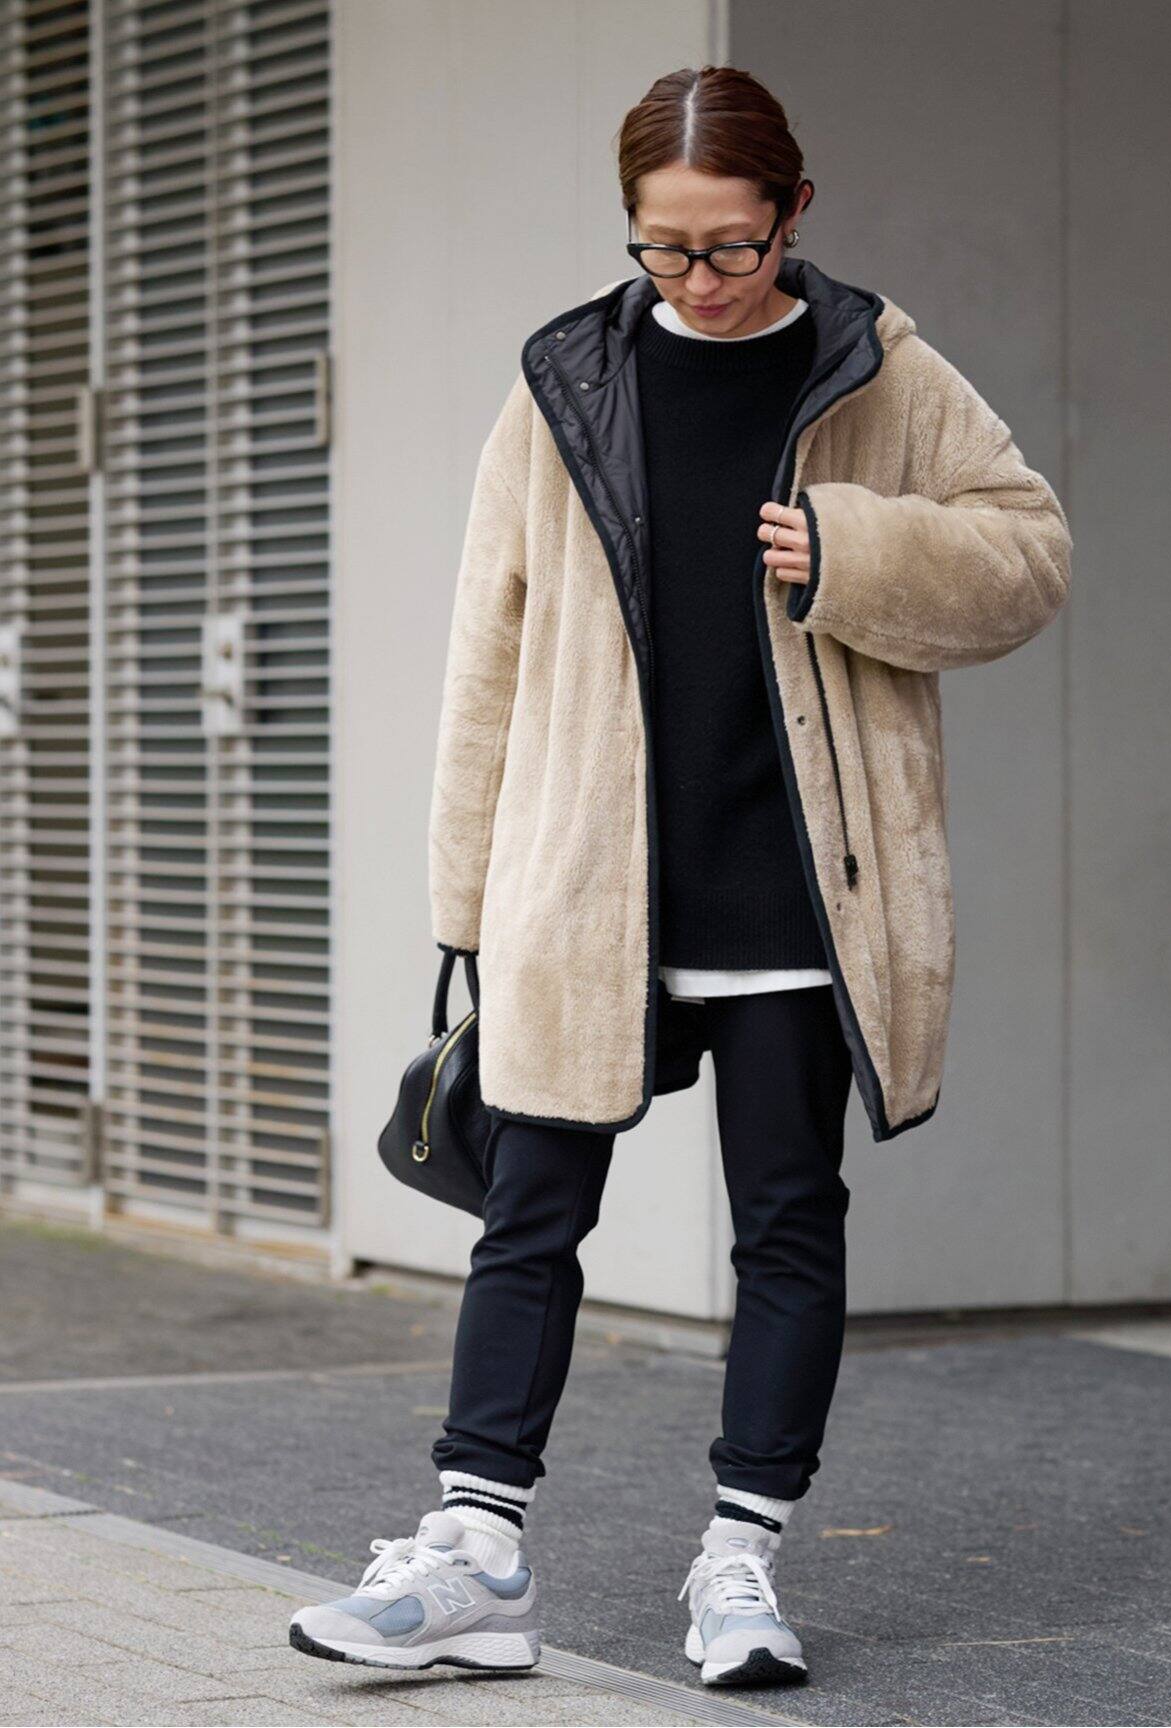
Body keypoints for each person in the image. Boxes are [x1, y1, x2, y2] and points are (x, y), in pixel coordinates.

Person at [289, 64, 1071, 1689]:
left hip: (796, 893)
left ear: (796, 211)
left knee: (787, 1222)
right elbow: (489, 644)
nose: (699, 278)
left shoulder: (881, 370)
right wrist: (464, 905)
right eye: (664, 247)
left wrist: (861, 550)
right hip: (591, 886)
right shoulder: (567, 380)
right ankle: (476, 1560)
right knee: (527, 1217)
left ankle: (741, 1563)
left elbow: (1029, 552)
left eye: (730, 245)